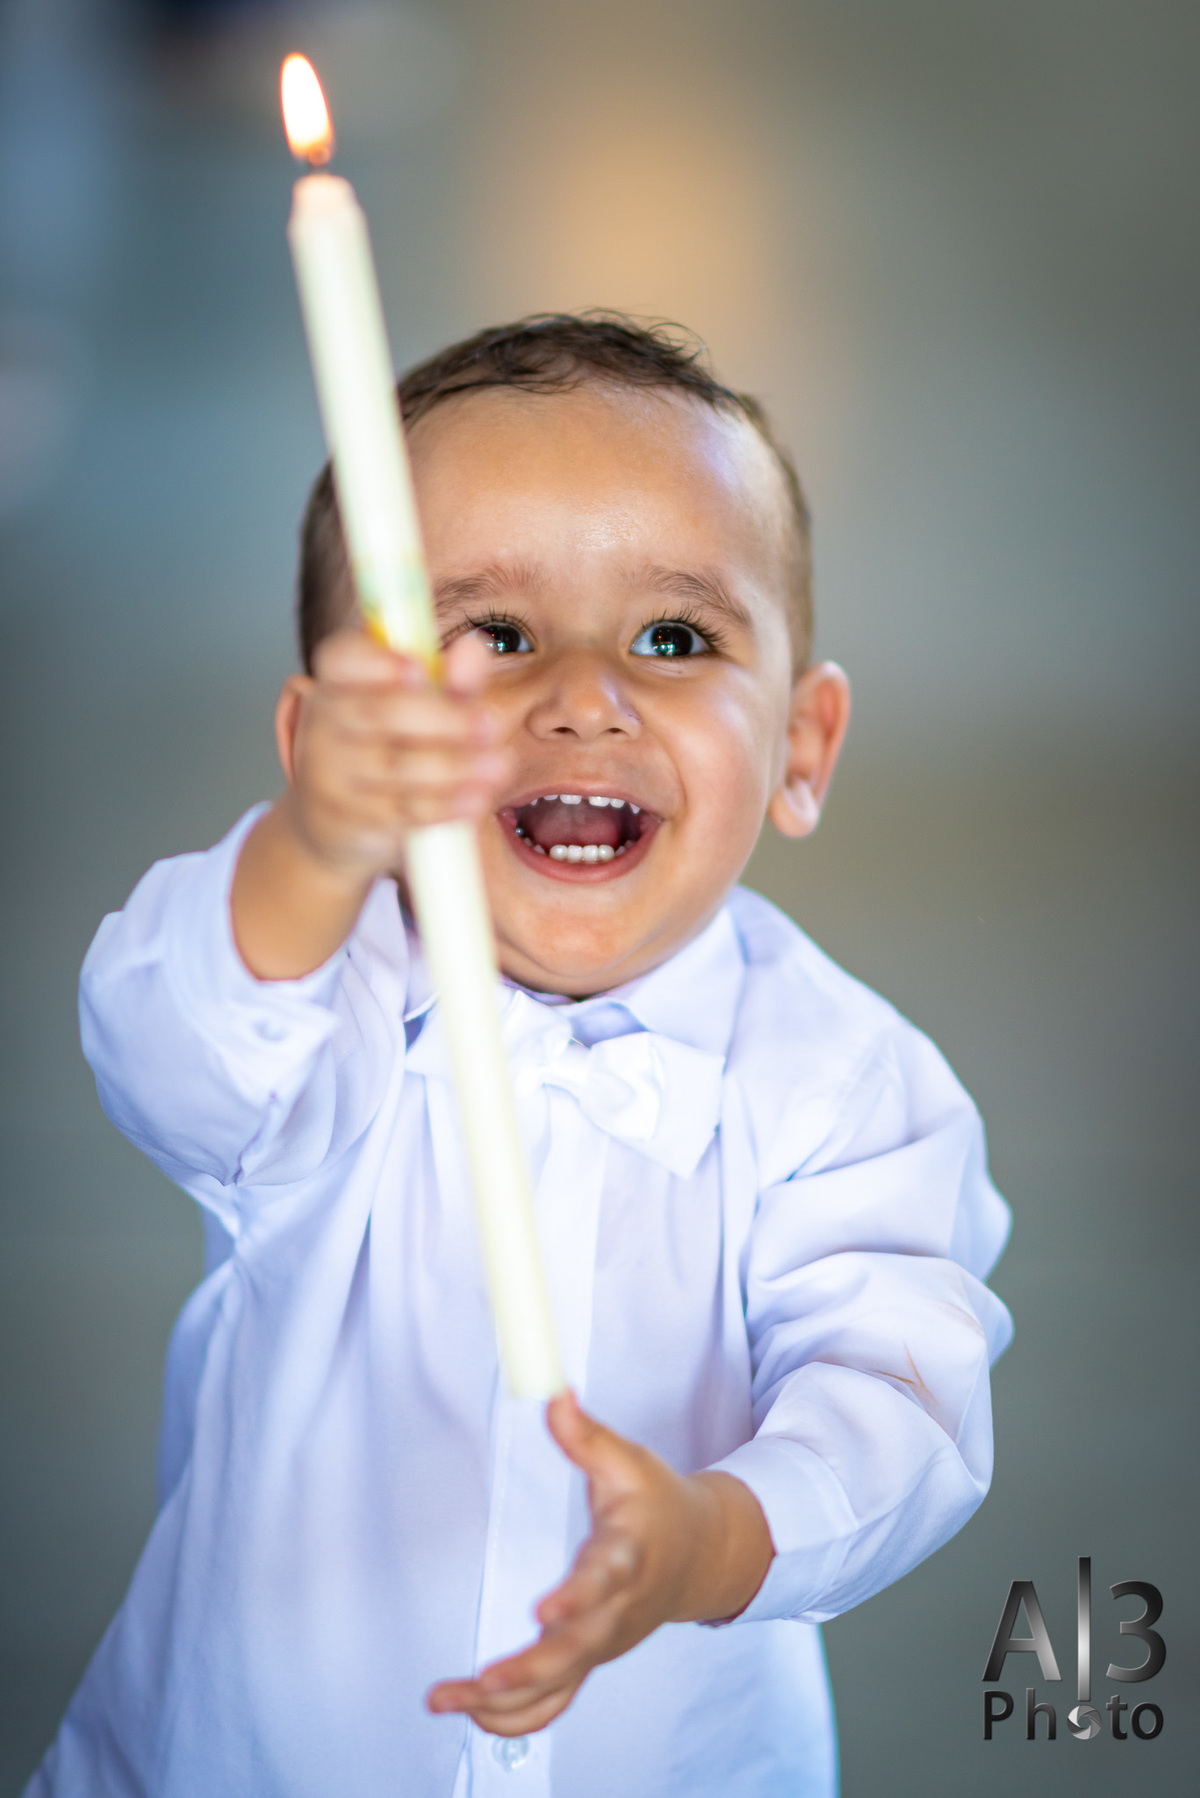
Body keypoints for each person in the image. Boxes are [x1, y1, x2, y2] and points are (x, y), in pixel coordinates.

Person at [27, 314, 1012, 1798]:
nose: (582, 692)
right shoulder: (325, 1001)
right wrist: (313, 853)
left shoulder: (849, 1086)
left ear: (805, 745)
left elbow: (904, 1399)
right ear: (329, 742)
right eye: (488, 633)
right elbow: (170, 1041)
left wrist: (715, 1533)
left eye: (675, 636)